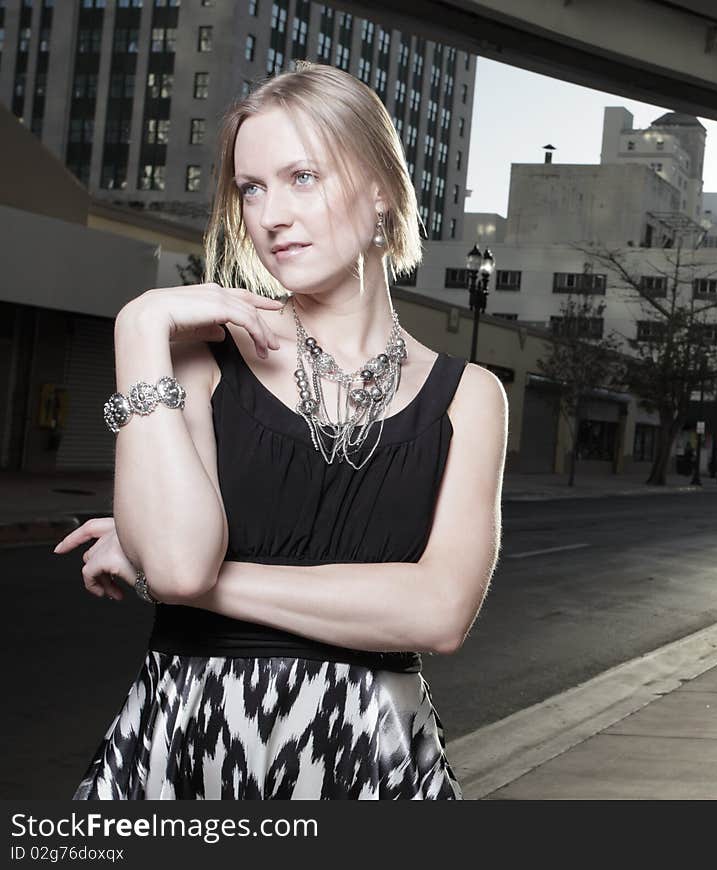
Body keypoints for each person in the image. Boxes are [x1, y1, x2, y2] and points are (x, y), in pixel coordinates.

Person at [53, 61, 508, 800]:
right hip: (185, 741)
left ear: (383, 192)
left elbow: (439, 613)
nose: (270, 215)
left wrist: (166, 572)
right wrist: (140, 327)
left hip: (370, 752)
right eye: (252, 188)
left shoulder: (470, 397)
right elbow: (176, 566)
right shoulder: (198, 363)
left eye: (303, 177)